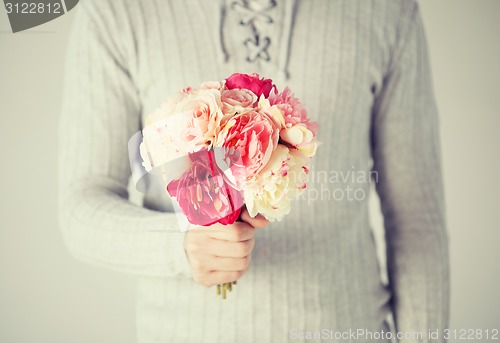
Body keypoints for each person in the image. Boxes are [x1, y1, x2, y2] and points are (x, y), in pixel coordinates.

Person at [58, 0, 449, 342]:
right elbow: (82, 203)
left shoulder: (387, 10)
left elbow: (417, 219)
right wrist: (180, 244)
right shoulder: (115, 12)